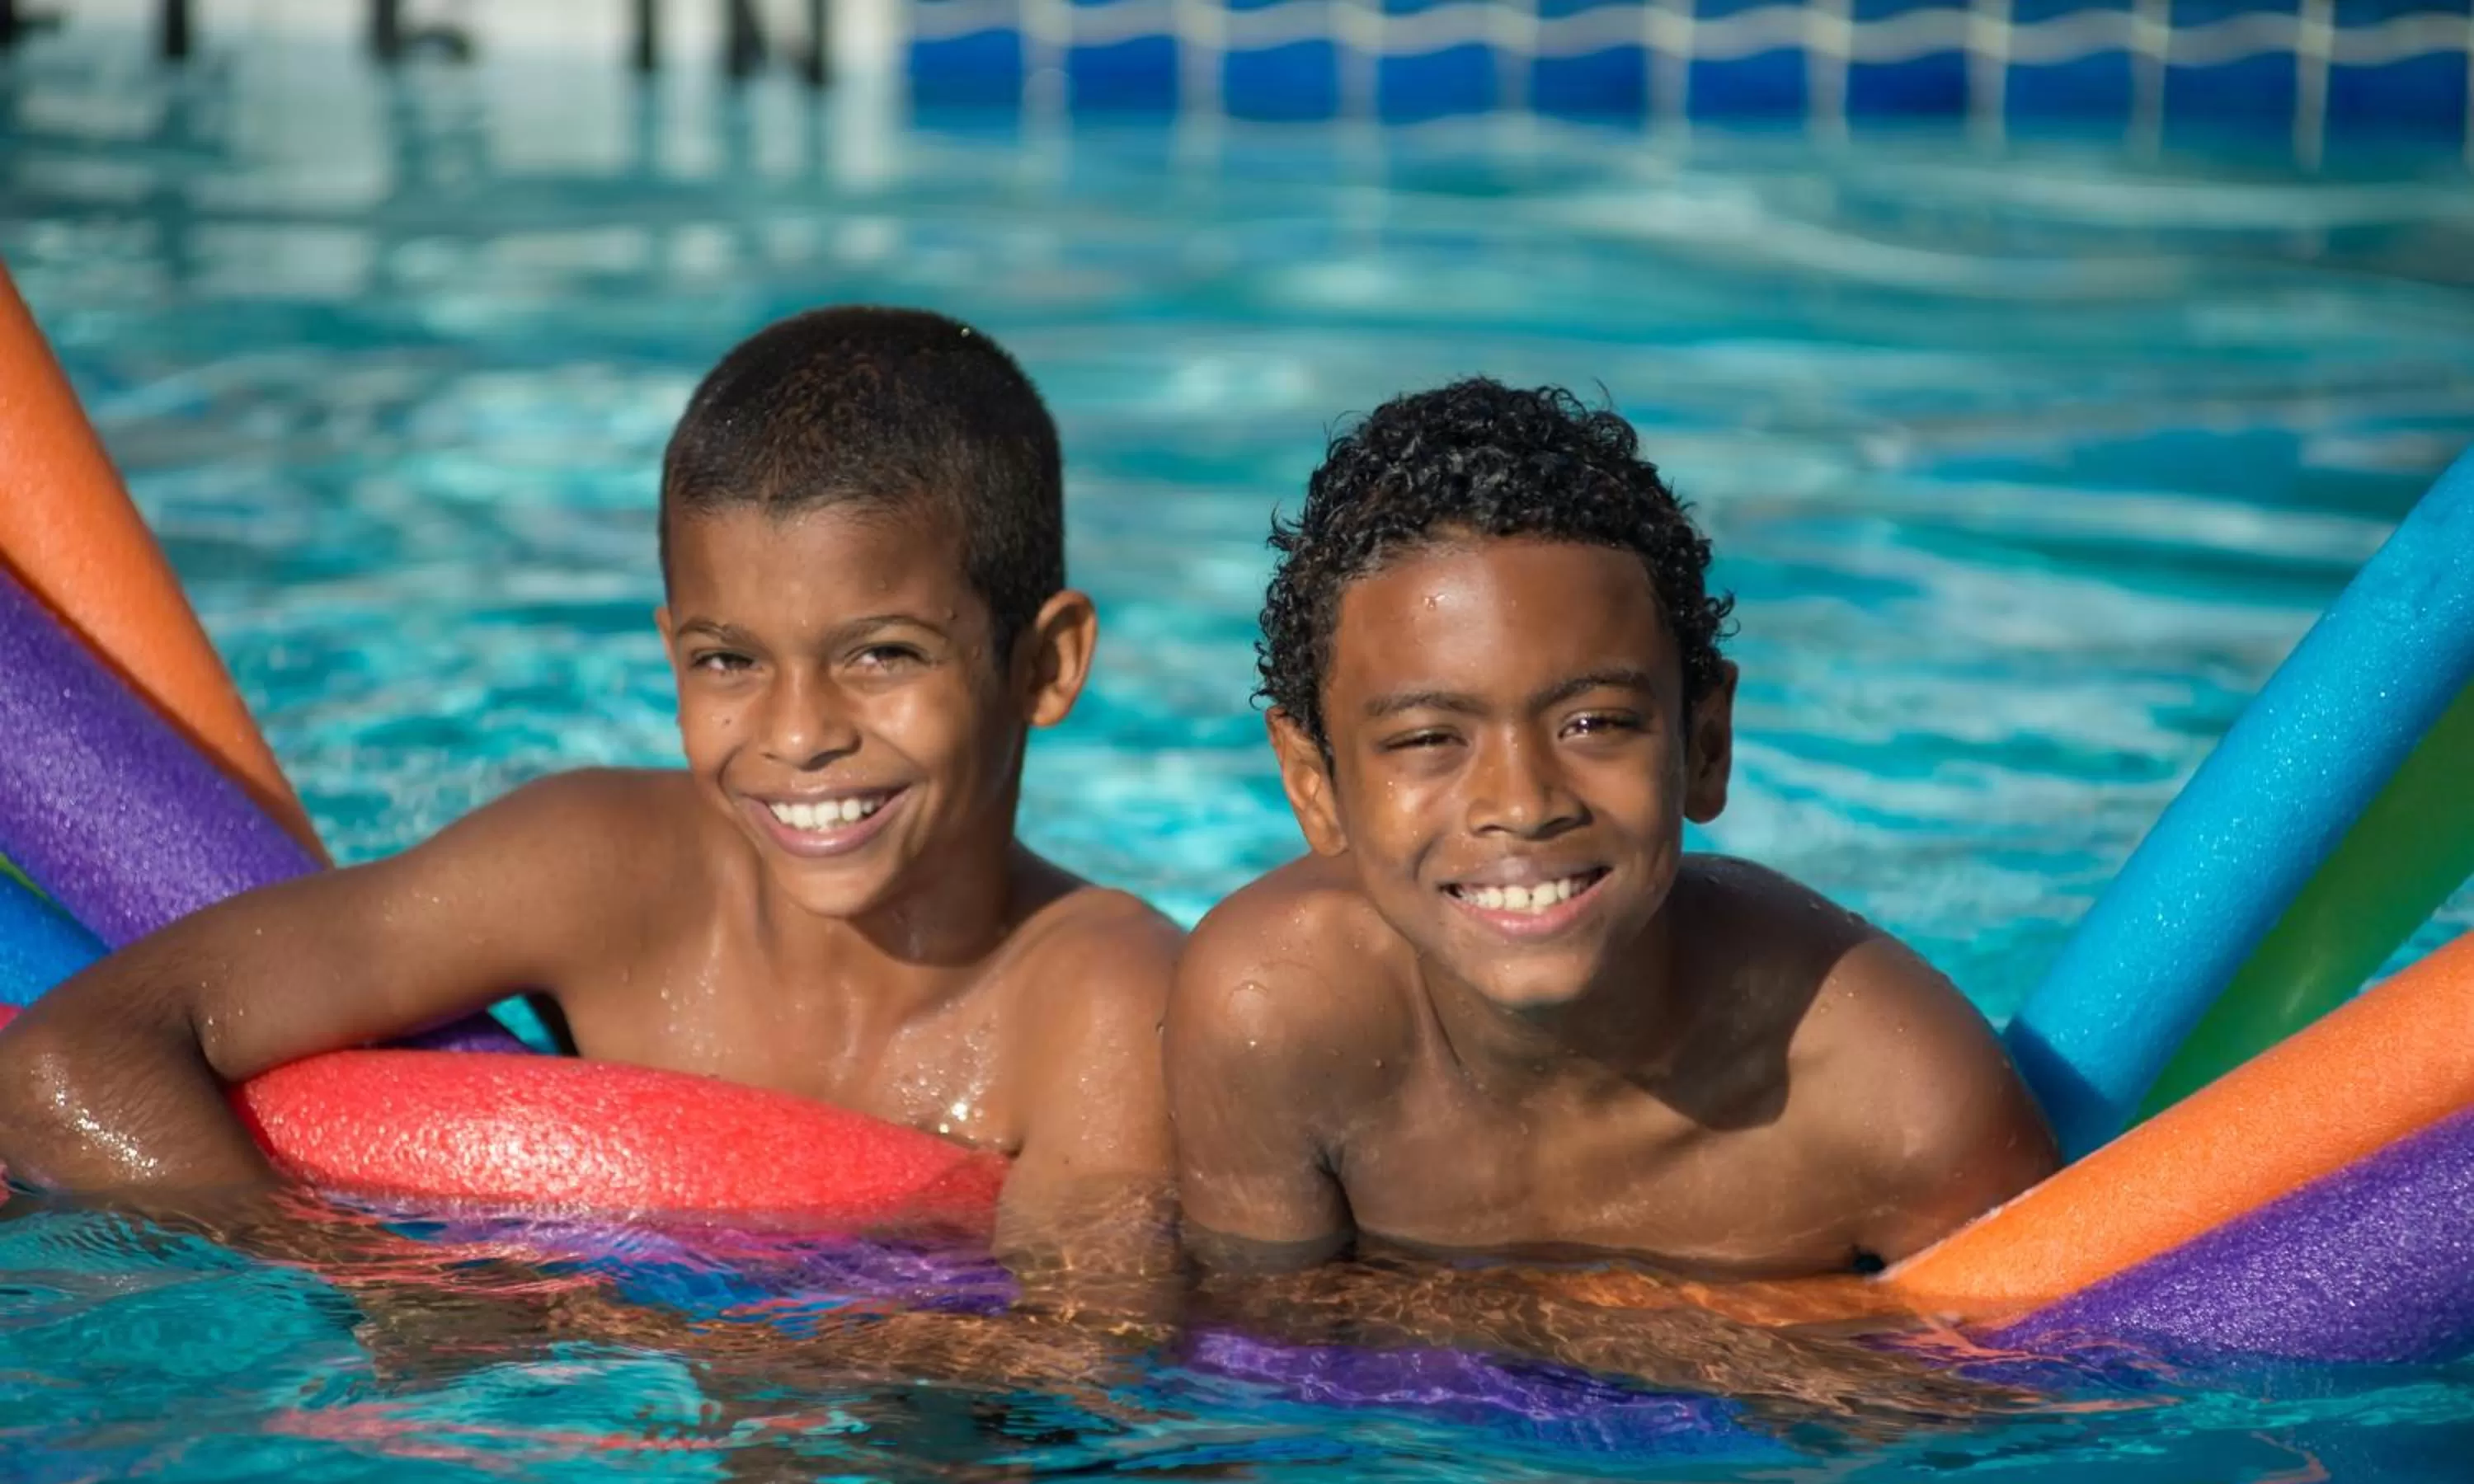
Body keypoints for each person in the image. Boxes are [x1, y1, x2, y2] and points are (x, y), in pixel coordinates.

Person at [0, 305, 1181, 1272]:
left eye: (881, 655)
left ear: (1046, 663)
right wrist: (349, 1281)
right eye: (730, 662)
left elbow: (1071, 1374)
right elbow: (73, 1061)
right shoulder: (601, 877)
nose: (798, 734)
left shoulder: (1100, 1006)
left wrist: (604, 1317)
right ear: (673, 653)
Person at [1168, 379, 2058, 1290]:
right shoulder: (1275, 1015)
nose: (1522, 803)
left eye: (1593, 723)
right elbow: (1263, 1373)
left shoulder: (1898, 1102)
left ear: (1704, 743)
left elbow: (2014, 1406)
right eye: (1430, 739)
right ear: (1313, 785)